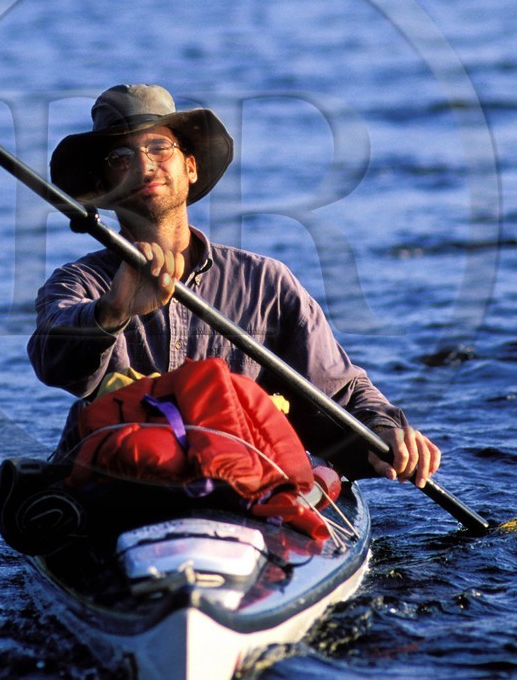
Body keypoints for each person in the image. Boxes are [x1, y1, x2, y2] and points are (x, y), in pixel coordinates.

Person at [27, 84, 441, 488]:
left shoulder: (267, 283)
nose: (144, 164)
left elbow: (341, 393)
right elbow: (55, 362)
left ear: (190, 167)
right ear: (103, 188)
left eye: (158, 148)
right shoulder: (78, 283)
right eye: (121, 157)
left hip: (243, 484)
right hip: (122, 483)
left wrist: (385, 432)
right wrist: (112, 310)